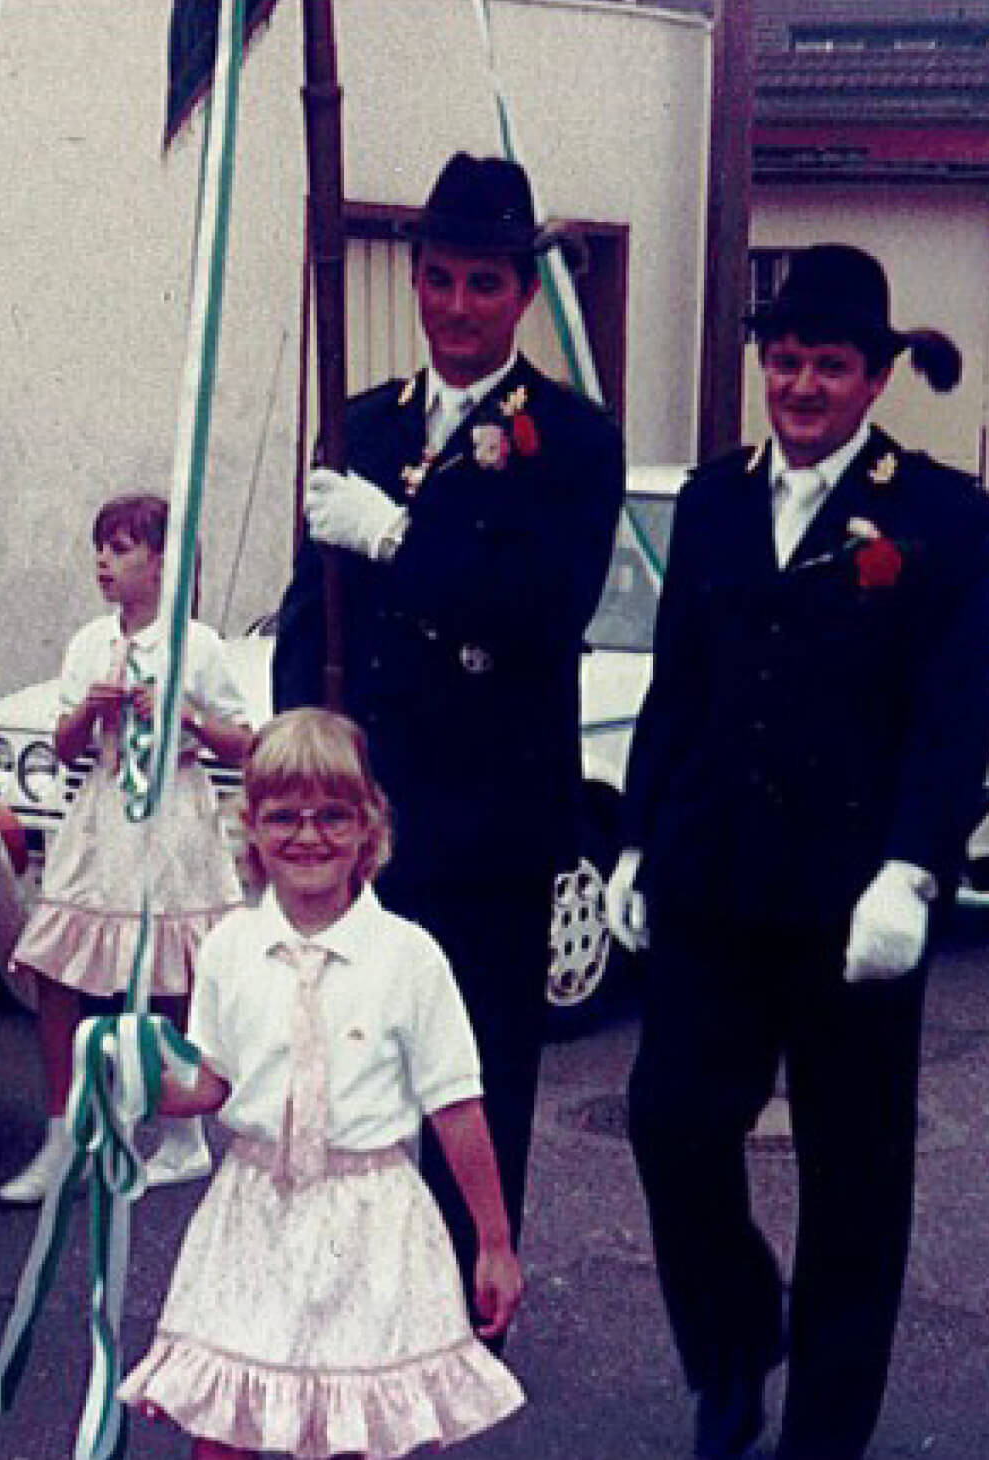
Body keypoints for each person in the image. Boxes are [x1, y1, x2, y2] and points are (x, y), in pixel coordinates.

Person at [602, 243, 989, 1460]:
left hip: (856, 896)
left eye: (831, 364)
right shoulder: (717, 498)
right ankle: (733, 1344)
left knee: (855, 1175)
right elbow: (680, 685)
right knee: (669, 1119)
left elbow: (954, 700)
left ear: (877, 377)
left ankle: (825, 1431)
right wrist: (635, 837)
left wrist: (915, 866)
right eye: (787, 361)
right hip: (715, 876)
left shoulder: (938, 511)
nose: (804, 385)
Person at [271, 152, 624, 1303]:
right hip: (368, 814)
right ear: (415, 282)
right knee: (350, 1066)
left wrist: (397, 542)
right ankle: (363, 1295)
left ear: (522, 294)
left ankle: (469, 1300)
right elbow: (306, 616)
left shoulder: (570, 436)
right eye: (440, 280)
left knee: (473, 1079)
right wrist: (291, 781)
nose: (458, 307)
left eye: (484, 284)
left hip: (491, 816)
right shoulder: (364, 424)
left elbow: (544, 604)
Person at [117, 708, 526, 1460]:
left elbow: (456, 1107)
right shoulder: (229, 949)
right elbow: (210, 1083)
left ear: (368, 829)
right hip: (253, 1214)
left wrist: (494, 1243)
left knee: (350, 1425)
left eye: (333, 816)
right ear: (252, 829)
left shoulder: (409, 958)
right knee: (226, 1425)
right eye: (284, 817)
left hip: (369, 1218)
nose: (309, 836)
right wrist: (134, 1083)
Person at [0, 492, 253, 1205]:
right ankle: (63, 1134)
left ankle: (182, 1132)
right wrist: (90, 711)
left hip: (172, 812)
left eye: (121, 547)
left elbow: (241, 738)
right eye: (99, 548)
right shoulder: (89, 642)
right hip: (104, 812)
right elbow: (66, 744)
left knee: (173, 975)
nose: (104, 562)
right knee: (58, 961)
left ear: (162, 562)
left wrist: (183, 715)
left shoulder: (196, 644)